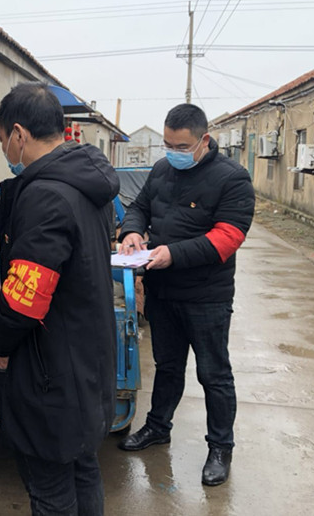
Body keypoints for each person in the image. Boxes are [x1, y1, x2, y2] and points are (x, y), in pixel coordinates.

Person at [0, 82, 120, 515]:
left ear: (18, 134)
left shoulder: (45, 194)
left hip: (52, 368)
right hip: (86, 357)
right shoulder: (83, 180)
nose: (4, 150)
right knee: (82, 467)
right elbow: (51, 238)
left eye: (1, 140)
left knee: (50, 488)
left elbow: (25, 299)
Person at [115, 103, 255, 486]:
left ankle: (221, 447)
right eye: (168, 144)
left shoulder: (232, 178)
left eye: (181, 146)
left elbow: (227, 238)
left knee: (214, 374)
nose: (173, 152)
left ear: (203, 140)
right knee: (167, 366)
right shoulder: (162, 170)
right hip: (163, 292)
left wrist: (172, 254)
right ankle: (157, 426)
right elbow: (139, 207)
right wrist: (132, 231)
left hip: (206, 296)